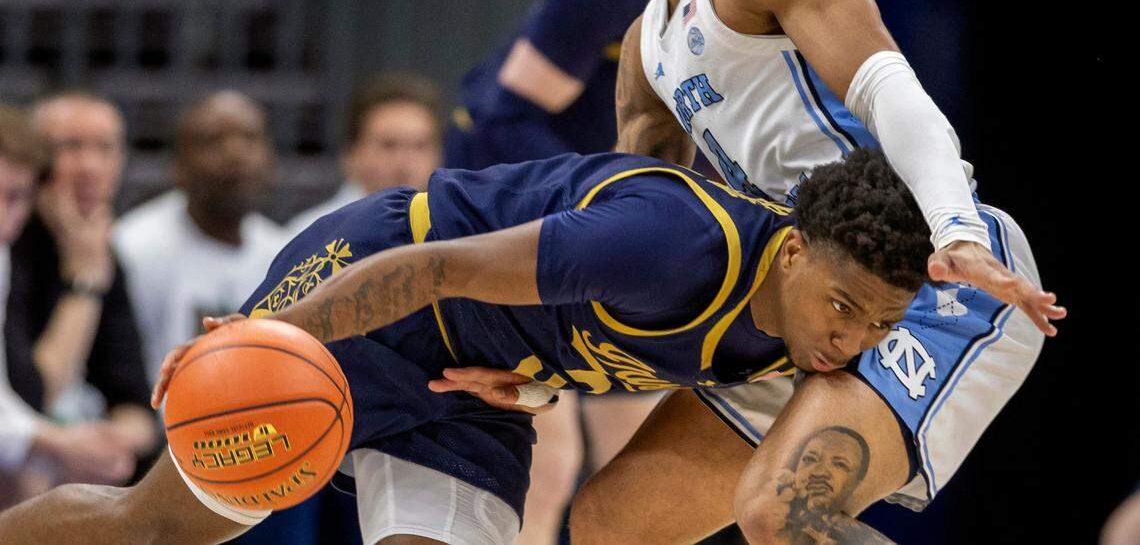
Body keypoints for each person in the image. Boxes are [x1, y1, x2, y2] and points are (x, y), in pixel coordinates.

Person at [438, 0, 1062, 542]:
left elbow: (895, 95)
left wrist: (958, 233)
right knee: (609, 522)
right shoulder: (645, 48)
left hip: (919, 275)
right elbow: (631, 254)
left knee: (781, 512)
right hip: (795, 297)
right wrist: (545, 366)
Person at [0, 146, 934, 545]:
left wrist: (533, 391)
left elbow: (591, 362)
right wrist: (266, 336)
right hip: (377, 291)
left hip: (473, 386)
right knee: (157, 527)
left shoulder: (816, 342)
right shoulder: (670, 242)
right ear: (797, 249)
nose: (849, 339)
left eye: (879, 325)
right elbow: (435, 267)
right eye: (844, 307)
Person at [444, 0, 824, 544]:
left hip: (633, 213)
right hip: (535, 197)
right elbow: (505, 114)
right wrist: (601, 213)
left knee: (633, 460)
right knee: (544, 463)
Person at [4, 93, 156, 461]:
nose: (90, 167)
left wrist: (114, 439)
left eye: (105, 149)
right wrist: (84, 284)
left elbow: (135, 401)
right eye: (70, 147)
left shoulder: (101, 247)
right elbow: (31, 397)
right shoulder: (8, 244)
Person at [115, 90, 286, 383]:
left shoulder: (284, 253)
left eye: (250, 138)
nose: (236, 153)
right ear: (178, 165)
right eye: (212, 141)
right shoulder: (132, 247)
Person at [287, 73, 443, 237]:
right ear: (351, 155)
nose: (404, 161)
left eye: (420, 146)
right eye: (388, 145)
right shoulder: (309, 235)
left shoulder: (454, 234)